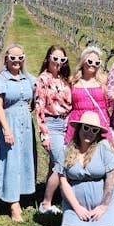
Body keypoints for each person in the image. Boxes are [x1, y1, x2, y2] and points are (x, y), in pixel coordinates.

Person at [57, 111, 114, 226]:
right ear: (79, 128)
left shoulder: (104, 147)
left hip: (104, 204)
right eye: (86, 128)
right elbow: (63, 182)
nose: (89, 132)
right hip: (76, 205)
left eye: (94, 130)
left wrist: (103, 206)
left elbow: (111, 179)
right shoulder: (66, 150)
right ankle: (77, 224)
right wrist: (77, 207)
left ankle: (103, 225)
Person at [0, 43, 37, 222]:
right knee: (10, 159)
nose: (16, 61)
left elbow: (35, 97)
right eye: (12, 58)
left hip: (25, 123)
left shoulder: (28, 79)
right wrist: (6, 129)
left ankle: (22, 191)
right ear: (6, 59)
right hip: (9, 122)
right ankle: (13, 203)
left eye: (20, 58)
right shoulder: (0, 79)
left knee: (24, 157)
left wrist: (31, 106)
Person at [34, 45, 72, 215]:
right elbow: (39, 108)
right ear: (48, 58)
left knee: (55, 163)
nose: (58, 62)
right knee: (61, 163)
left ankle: (53, 198)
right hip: (52, 124)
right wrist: (44, 134)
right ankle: (46, 203)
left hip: (67, 124)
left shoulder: (66, 79)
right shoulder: (42, 79)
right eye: (55, 58)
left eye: (62, 59)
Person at [66, 46, 114, 143]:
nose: (93, 65)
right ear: (83, 61)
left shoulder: (104, 80)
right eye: (90, 61)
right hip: (79, 122)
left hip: (99, 122)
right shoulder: (73, 81)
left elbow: (113, 97)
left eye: (97, 63)